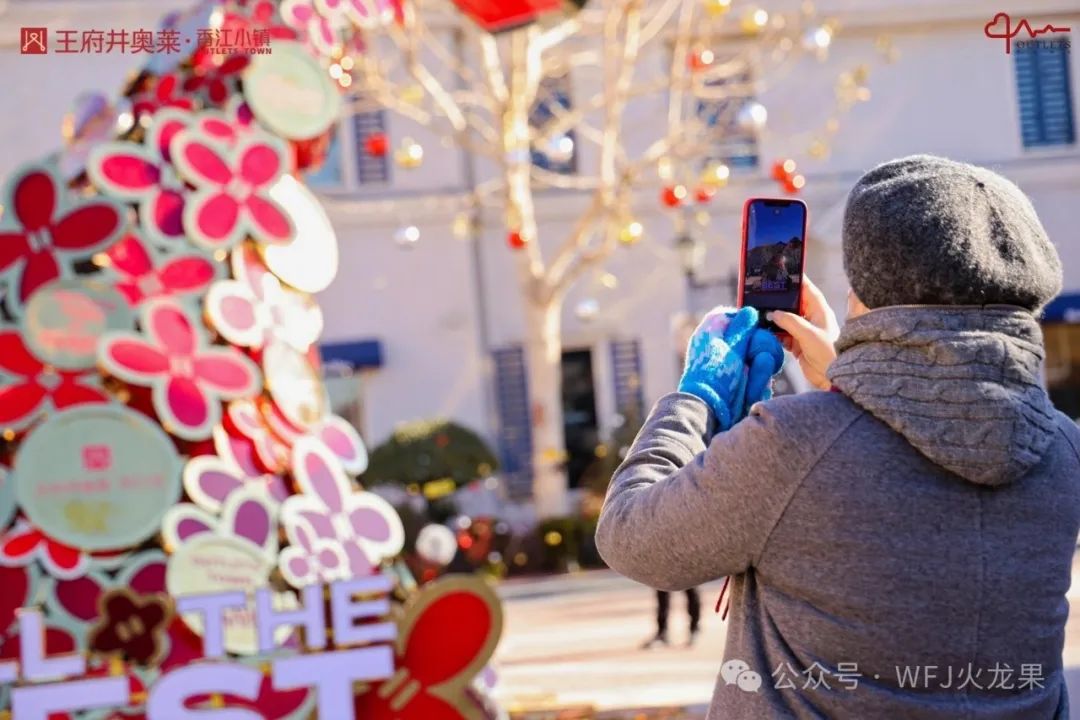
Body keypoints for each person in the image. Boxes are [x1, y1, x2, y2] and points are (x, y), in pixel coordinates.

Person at [596, 155, 1080, 719]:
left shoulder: (795, 444)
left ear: (868, 296)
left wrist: (697, 396)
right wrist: (846, 378)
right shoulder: (1063, 451)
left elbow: (631, 537)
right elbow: (930, 430)